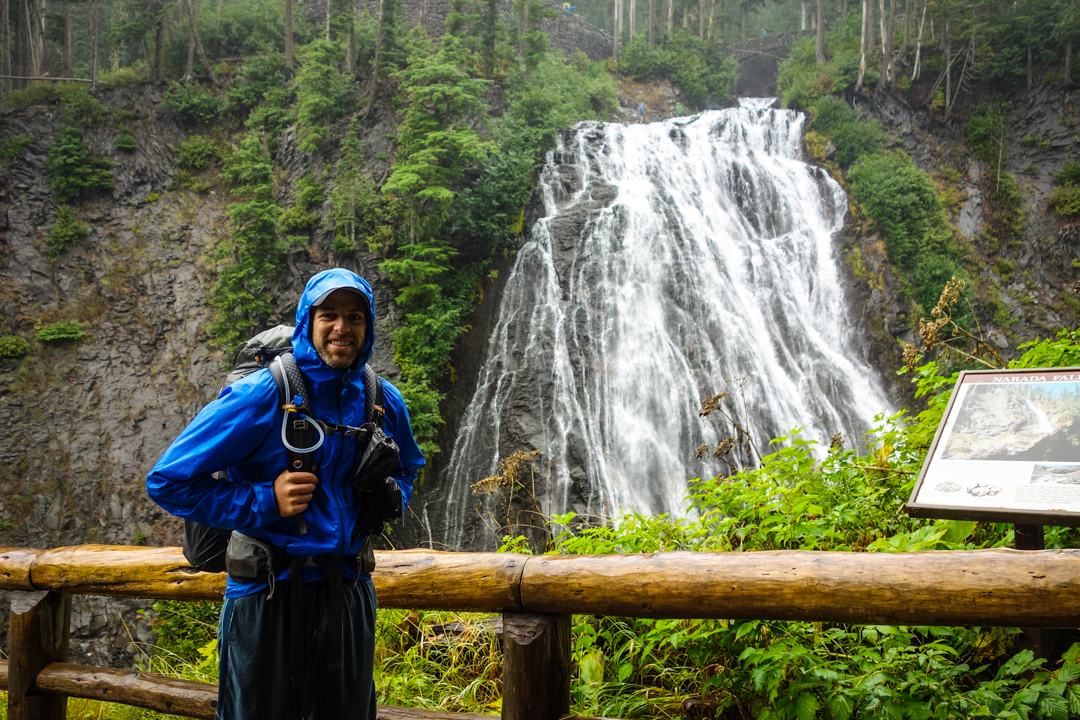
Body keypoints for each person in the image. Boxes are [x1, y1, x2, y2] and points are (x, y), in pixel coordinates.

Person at [147, 268, 425, 720]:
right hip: (267, 591)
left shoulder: (382, 399)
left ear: (368, 326)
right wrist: (263, 501)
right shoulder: (261, 395)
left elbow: (410, 465)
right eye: (329, 315)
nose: (342, 327)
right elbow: (168, 480)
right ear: (307, 322)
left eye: (354, 317)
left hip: (348, 590)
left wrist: (393, 494)